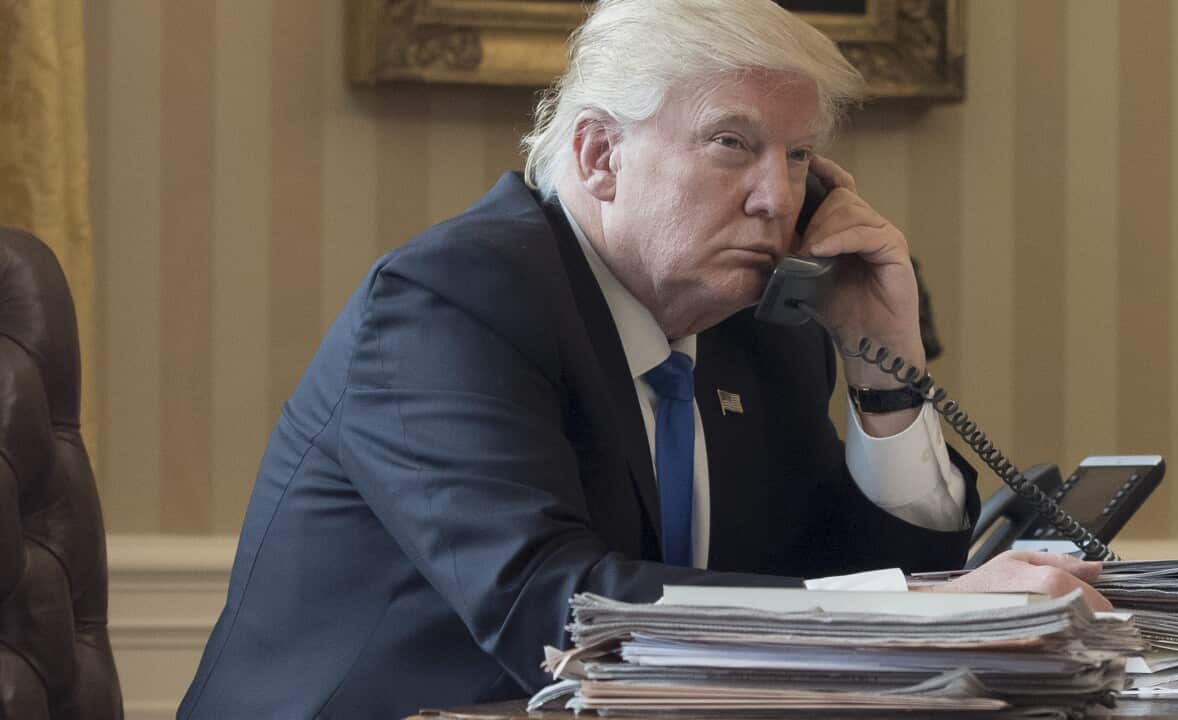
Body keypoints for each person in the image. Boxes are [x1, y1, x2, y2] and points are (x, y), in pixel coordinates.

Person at [178, 1, 1108, 717]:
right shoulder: (451, 303)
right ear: (598, 156)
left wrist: (884, 378)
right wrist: (917, 608)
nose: (775, 199)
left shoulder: (770, 337)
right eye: (732, 145)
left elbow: (836, 584)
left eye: (800, 158)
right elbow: (559, 608)